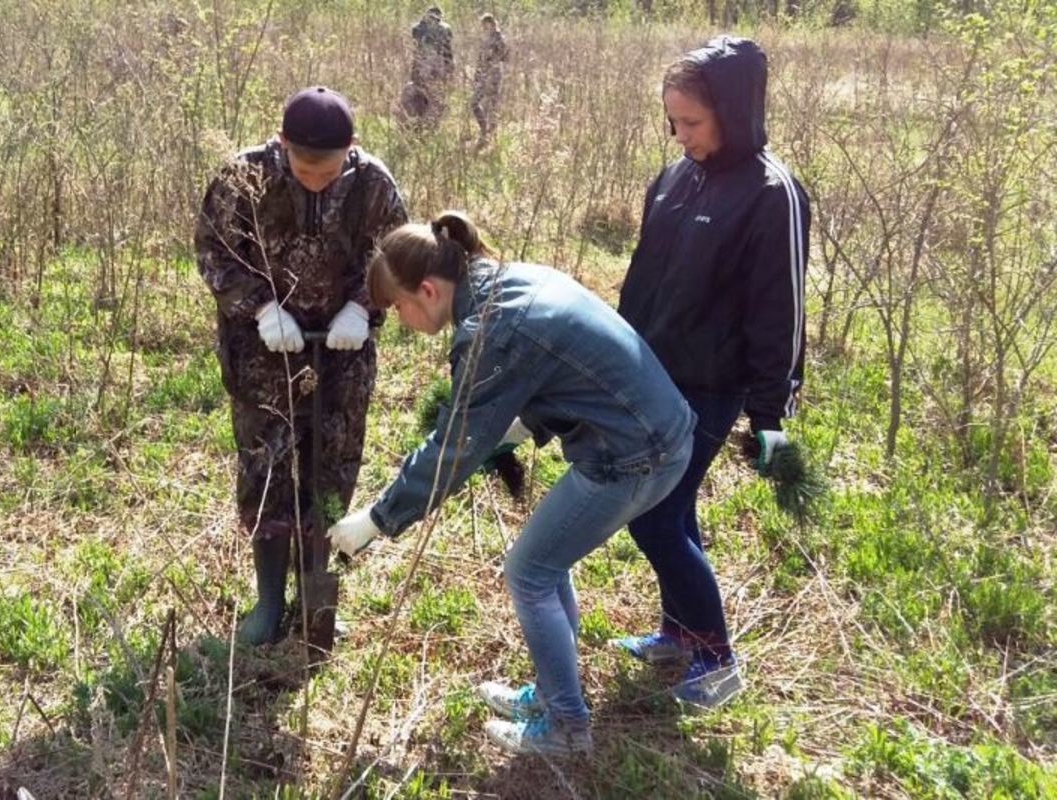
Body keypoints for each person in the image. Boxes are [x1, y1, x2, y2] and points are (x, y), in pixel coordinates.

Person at [327, 212, 695, 755]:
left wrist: (377, 519)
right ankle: (552, 695)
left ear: (427, 290)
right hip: (653, 434)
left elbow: (453, 449)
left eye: (398, 307)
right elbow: (566, 366)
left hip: (636, 454)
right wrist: (523, 422)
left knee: (529, 572)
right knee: (545, 563)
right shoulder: (506, 281)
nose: (401, 319)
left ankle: (568, 729)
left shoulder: (492, 330)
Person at [614, 36, 811, 707]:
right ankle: (678, 632)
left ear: (735, 111)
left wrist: (770, 416)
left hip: (708, 386)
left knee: (653, 517)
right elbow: (641, 279)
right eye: (672, 121)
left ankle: (719, 660)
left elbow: (777, 310)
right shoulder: (673, 177)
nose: (681, 136)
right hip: (650, 376)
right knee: (674, 509)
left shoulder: (770, 193)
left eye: (692, 123)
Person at [194, 86, 408, 646]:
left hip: (343, 351)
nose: (314, 178)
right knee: (266, 466)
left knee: (332, 466)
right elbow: (213, 253)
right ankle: (268, 601)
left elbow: (398, 258)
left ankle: (317, 593)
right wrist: (262, 308)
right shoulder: (243, 178)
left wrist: (365, 307)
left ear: (352, 149)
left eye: (327, 169)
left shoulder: (374, 185)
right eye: (303, 165)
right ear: (281, 141)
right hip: (262, 352)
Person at [409, 5, 454, 117]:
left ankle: (433, 116)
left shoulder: (443, 29)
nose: (433, 21)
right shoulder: (420, 28)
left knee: (435, 92)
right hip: (424, 63)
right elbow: (416, 38)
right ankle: (421, 115)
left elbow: (447, 50)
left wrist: (449, 66)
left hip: (436, 64)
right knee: (421, 90)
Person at [471, 13, 508, 147]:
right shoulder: (485, 38)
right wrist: (477, 74)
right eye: (483, 25)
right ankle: (484, 130)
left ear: (491, 23)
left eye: (486, 24)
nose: (484, 27)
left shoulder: (499, 38)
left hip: (493, 75)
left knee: (491, 105)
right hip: (483, 75)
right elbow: (480, 59)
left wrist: (492, 61)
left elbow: (504, 56)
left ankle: (488, 135)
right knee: (474, 103)